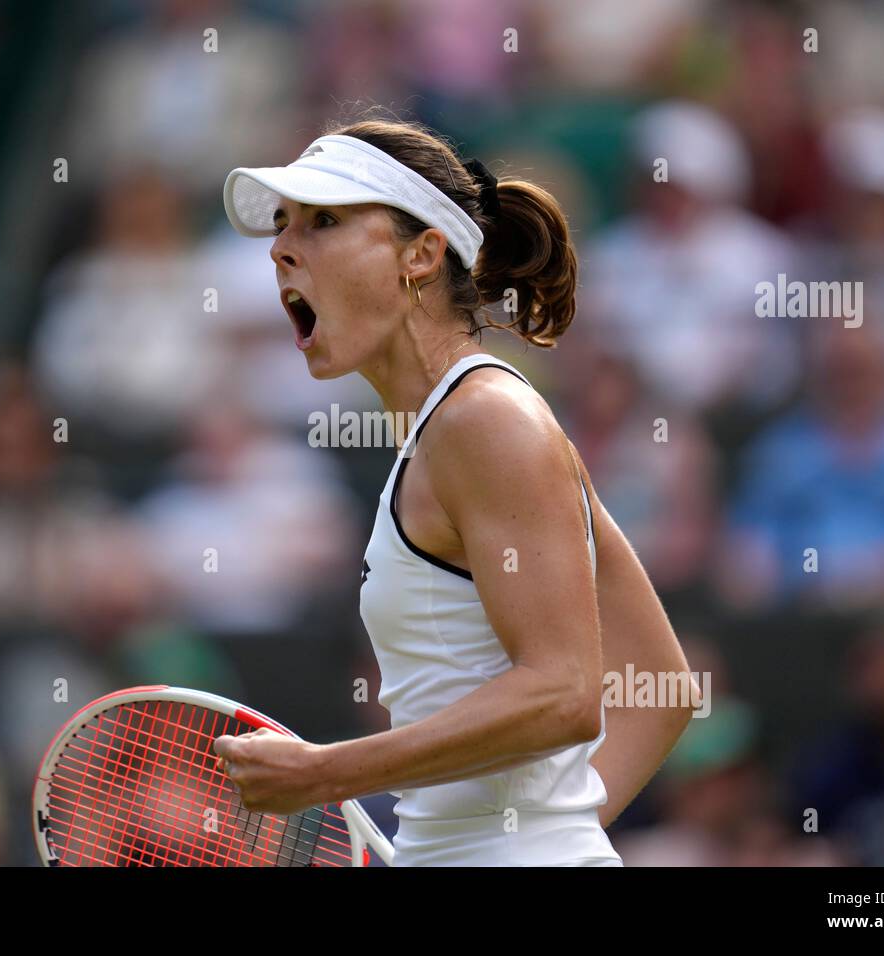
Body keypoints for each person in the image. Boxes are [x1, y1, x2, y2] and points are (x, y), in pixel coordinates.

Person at [214, 114, 694, 866]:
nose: (280, 248)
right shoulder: (455, 431)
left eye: (324, 221)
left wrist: (325, 772)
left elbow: (566, 693)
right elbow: (663, 685)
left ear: (421, 254)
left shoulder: (489, 421)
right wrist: (546, 835)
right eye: (282, 226)